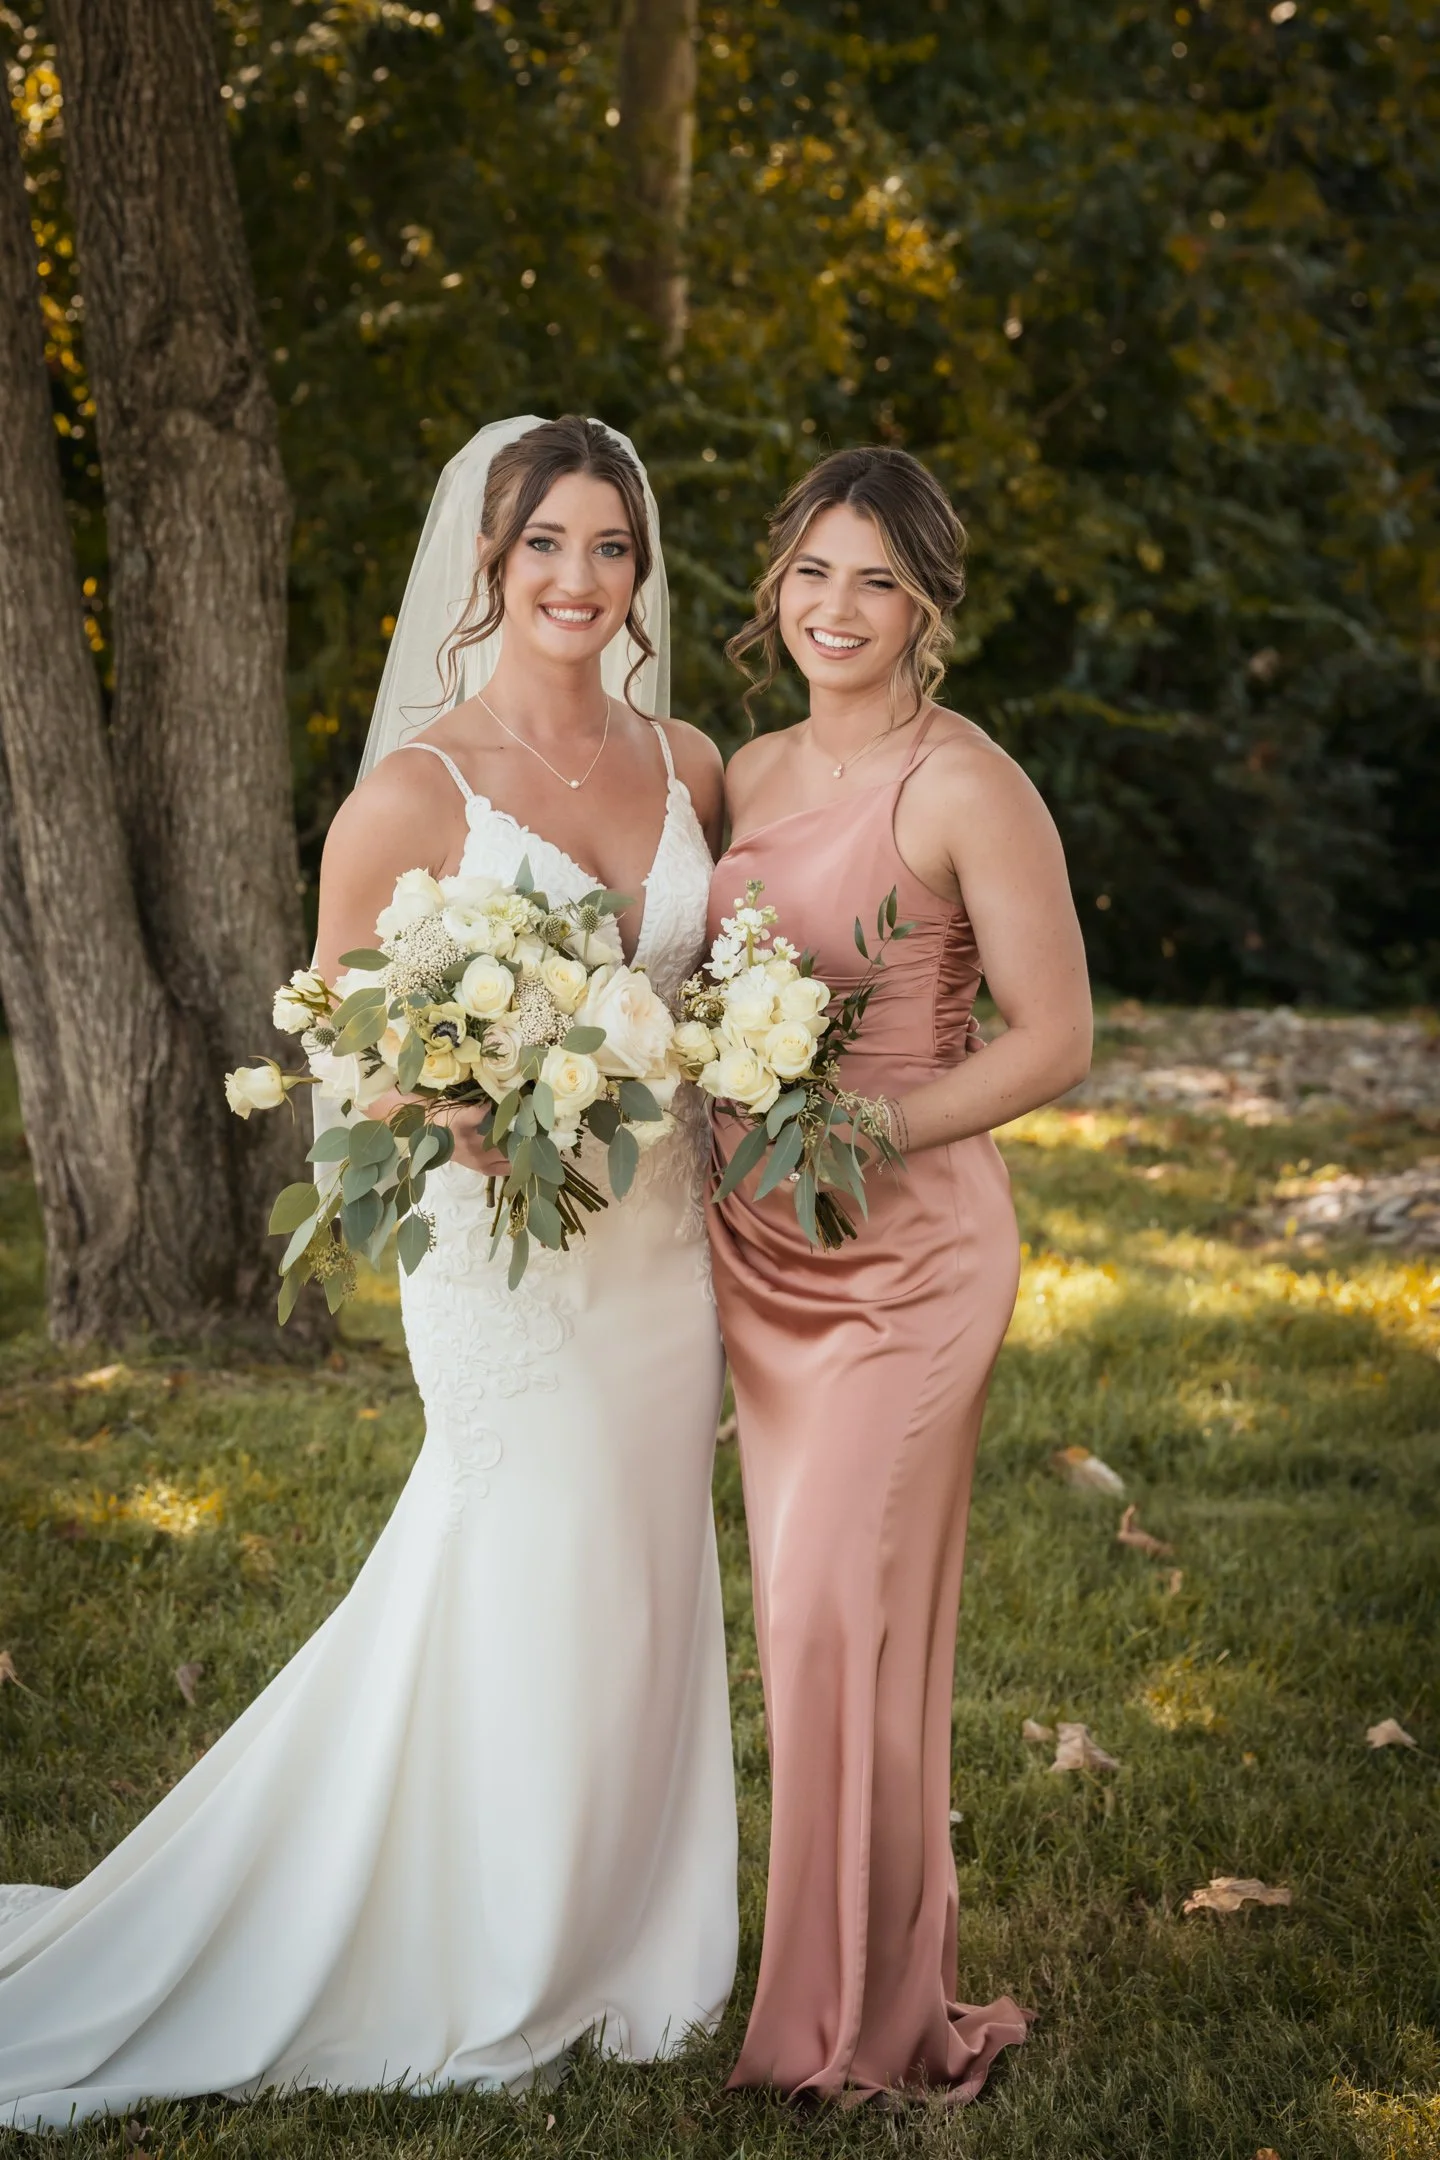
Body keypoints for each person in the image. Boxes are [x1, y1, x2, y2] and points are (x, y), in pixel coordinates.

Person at [0, 415, 737, 2132]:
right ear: (488, 559)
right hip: (503, 1251)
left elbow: (713, 978)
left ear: (640, 572)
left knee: (642, 1566)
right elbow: (335, 1033)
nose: (577, 578)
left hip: (660, 1243)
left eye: (608, 547)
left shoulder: (691, 761)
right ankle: (490, 1945)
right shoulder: (417, 790)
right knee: (524, 1546)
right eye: (544, 544)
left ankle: (632, 1931)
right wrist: (462, 1106)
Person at [706, 444, 1091, 2104]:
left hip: (911, 1255)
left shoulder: (967, 784)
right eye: (813, 571)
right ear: (776, 583)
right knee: (803, 1627)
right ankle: (841, 1987)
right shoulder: (745, 771)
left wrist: (882, 1122)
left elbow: (1058, 1037)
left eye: (877, 579)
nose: (837, 607)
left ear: (930, 603)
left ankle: (861, 2029)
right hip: (759, 1247)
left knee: (832, 1610)